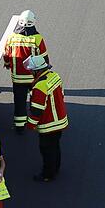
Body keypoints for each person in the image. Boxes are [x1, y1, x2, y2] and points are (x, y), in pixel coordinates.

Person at [2, 10, 48, 133]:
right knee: (36, 100)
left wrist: (7, 64)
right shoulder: (37, 38)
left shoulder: (11, 38)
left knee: (19, 102)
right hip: (34, 78)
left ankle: (19, 126)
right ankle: (36, 122)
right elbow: (44, 57)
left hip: (18, 78)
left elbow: (6, 54)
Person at [25, 54, 69, 182]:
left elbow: (37, 110)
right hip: (60, 120)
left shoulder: (40, 86)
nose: (31, 72)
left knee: (46, 149)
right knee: (55, 146)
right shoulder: (54, 76)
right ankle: (56, 167)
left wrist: (30, 124)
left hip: (48, 124)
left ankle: (47, 174)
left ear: (37, 70)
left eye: (32, 70)